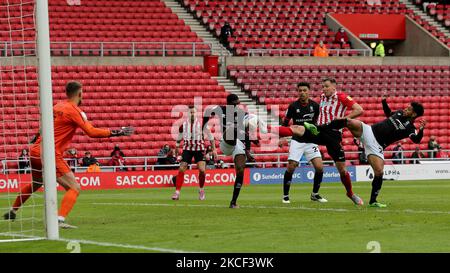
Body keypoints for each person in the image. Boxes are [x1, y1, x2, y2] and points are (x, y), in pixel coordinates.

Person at [3, 81, 134, 228]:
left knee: (37, 183)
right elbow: (91, 132)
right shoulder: (74, 110)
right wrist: (117, 132)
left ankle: (13, 210)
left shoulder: (57, 106)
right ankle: (59, 220)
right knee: (74, 187)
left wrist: (34, 140)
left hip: (35, 151)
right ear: (80, 94)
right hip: (49, 153)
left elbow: (43, 127)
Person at [318, 96, 425, 207]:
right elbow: (389, 114)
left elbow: (416, 140)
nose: (405, 109)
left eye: (408, 109)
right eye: (406, 107)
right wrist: (384, 102)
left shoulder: (410, 128)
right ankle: (319, 128)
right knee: (348, 121)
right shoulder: (398, 113)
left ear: (414, 114)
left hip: (377, 146)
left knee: (379, 172)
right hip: (369, 131)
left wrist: (421, 130)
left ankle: (373, 201)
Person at [271, 78, 365, 205]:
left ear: (334, 87)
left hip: (333, 135)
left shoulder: (341, 97)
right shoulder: (320, 98)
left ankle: (350, 193)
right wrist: (281, 137)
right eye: (323, 87)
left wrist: (343, 120)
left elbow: (359, 110)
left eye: (326, 86)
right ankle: (266, 130)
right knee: (298, 130)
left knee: (340, 169)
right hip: (319, 131)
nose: (324, 89)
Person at [280, 82, 327, 204]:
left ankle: (315, 194)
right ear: (298, 92)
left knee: (320, 168)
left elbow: (319, 122)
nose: (302, 92)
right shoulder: (293, 106)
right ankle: (285, 195)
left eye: (304, 90)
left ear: (309, 91)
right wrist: (281, 137)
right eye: (300, 90)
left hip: (311, 141)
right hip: (297, 141)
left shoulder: (315, 106)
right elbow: (285, 123)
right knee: (291, 167)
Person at [171, 106, 216, 201]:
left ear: (196, 114)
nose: (192, 114)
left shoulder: (202, 124)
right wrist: (177, 146)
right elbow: (179, 137)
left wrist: (214, 149)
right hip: (187, 149)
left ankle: (201, 190)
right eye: (190, 112)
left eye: (194, 112)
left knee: (202, 170)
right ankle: (177, 192)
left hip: (199, 149)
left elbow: (211, 137)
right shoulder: (183, 125)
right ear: (188, 114)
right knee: (181, 169)